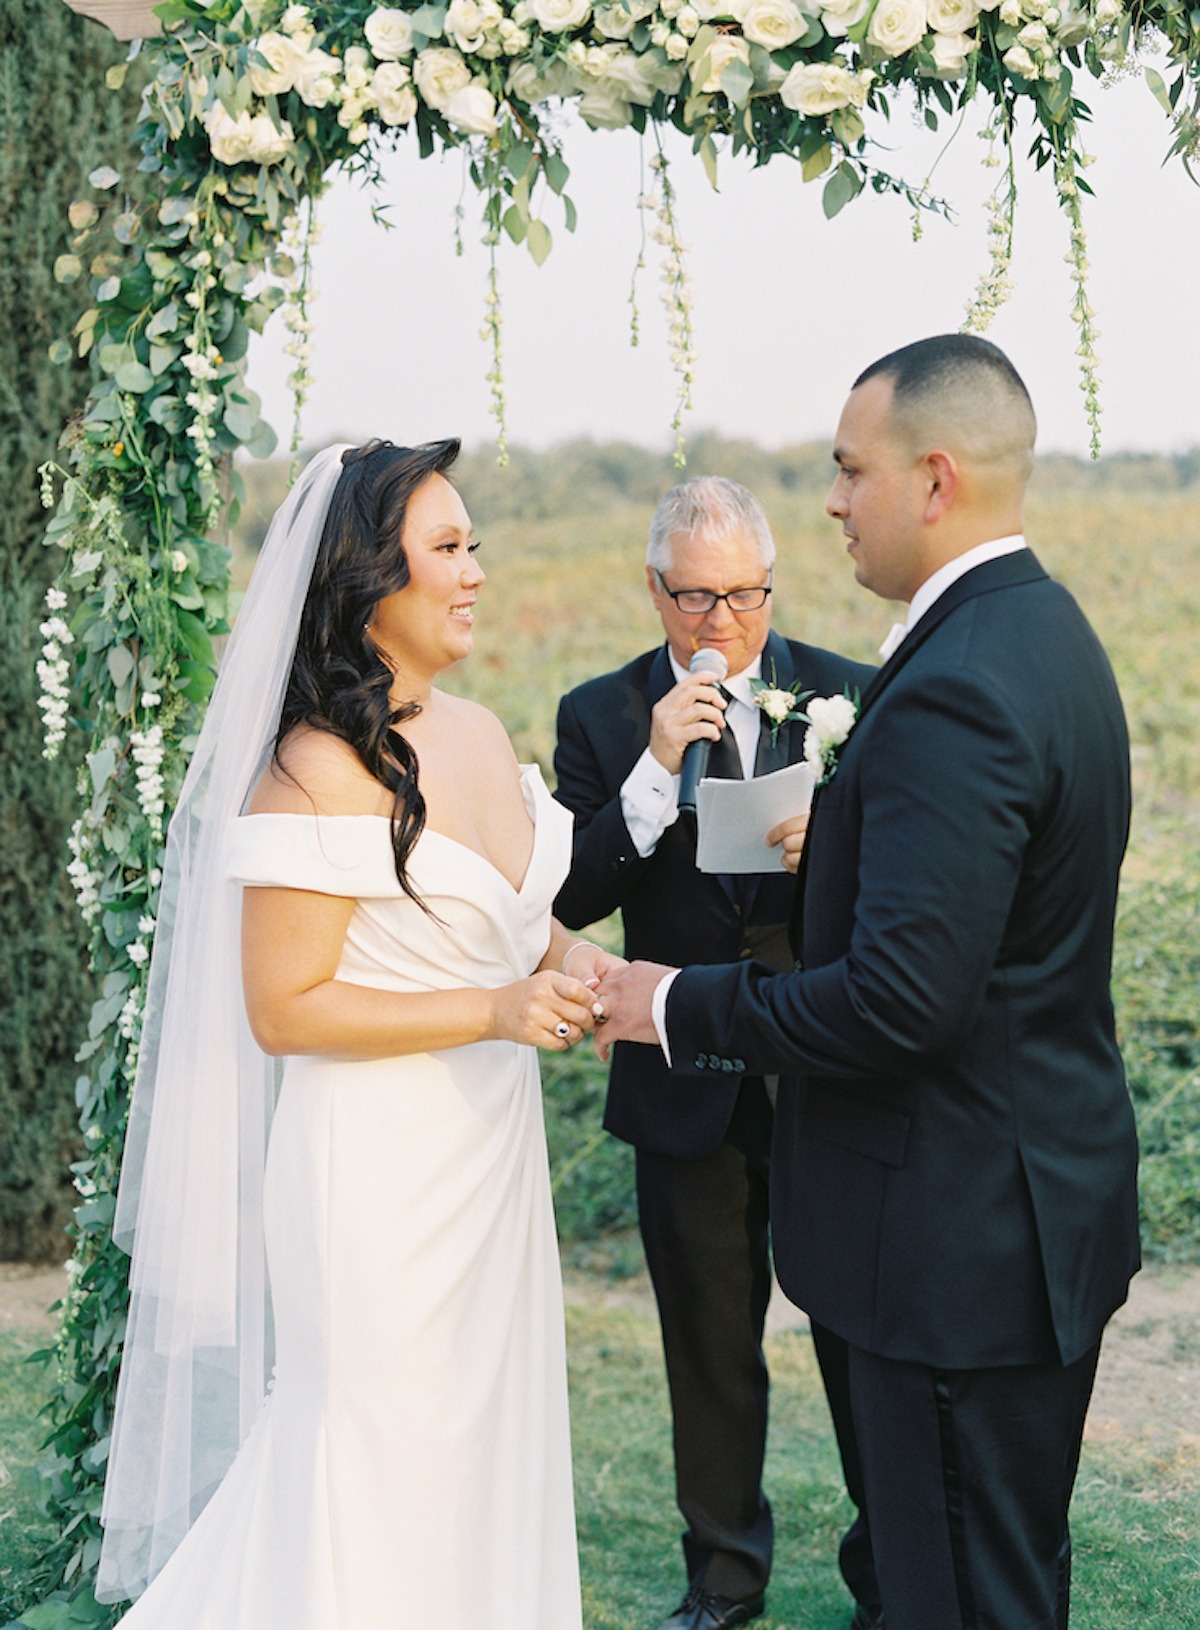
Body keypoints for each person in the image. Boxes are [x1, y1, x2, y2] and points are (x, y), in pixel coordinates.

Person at [593, 335, 1141, 1630]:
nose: (833, 500)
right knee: (987, 1584)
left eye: (849, 471)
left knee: (958, 1596)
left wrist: (664, 1000)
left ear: (934, 479)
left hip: (954, 1241)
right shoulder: (1043, 633)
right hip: (1025, 1213)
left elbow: (900, 1001)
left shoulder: (954, 685)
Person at [97, 439, 622, 1628]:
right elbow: (284, 1009)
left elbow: (521, 933)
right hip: (373, 1178)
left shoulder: (483, 736)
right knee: (378, 1459)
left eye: (474, 544)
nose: (476, 571)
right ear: (365, 583)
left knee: (484, 1447)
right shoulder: (313, 770)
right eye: (446, 548)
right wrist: (489, 1012)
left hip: (489, 1164)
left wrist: (613, 978)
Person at [553, 476, 877, 1630]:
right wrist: (651, 778)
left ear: (772, 586)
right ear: (654, 590)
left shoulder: (851, 693)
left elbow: (898, 897)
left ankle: (885, 1567)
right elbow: (572, 894)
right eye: (695, 597)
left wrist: (822, 861)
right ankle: (725, 1578)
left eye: (744, 594)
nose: (721, 623)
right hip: (678, 1079)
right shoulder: (599, 715)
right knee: (707, 1347)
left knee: (857, 1337)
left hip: (822, 1070)